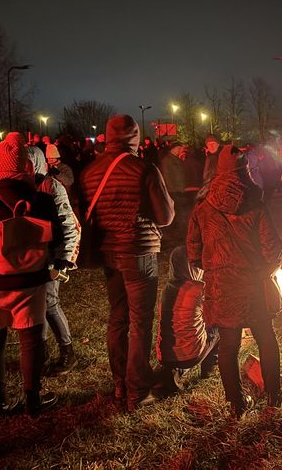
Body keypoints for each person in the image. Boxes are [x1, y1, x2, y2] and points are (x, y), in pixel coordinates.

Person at [0, 132, 62, 416]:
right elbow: (53, 239)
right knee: (31, 340)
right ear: (24, 166)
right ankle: (33, 397)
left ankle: (0, 401)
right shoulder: (39, 199)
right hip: (30, 283)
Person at [80, 115, 174, 411]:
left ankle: (120, 384)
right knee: (140, 322)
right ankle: (137, 391)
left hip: (108, 252)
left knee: (117, 317)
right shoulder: (143, 169)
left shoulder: (90, 172)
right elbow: (165, 217)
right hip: (138, 251)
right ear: (135, 137)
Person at [187, 145, 282, 418]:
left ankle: (236, 403)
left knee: (229, 343)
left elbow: (193, 251)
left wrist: (213, 269)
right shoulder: (256, 206)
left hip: (221, 285)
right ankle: (274, 395)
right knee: (265, 338)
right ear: (245, 171)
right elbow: (272, 248)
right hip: (252, 284)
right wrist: (267, 270)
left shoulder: (203, 208)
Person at [27, 146, 81, 376]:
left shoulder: (51, 186)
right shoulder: (22, 187)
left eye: (28, 163)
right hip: (31, 255)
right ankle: (41, 353)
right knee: (34, 306)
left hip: (50, 255)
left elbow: (69, 224)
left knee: (49, 302)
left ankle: (67, 353)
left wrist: (64, 259)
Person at [154, 245, 219, 396]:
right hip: (189, 356)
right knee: (220, 327)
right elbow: (216, 312)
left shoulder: (167, 289)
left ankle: (174, 371)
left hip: (164, 355)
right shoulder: (198, 289)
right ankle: (209, 371)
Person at [196, 134, 221, 200]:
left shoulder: (221, 157)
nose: (211, 146)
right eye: (209, 144)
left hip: (217, 190)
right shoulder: (207, 157)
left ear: (218, 145)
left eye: (213, 144)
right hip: (208, 189)